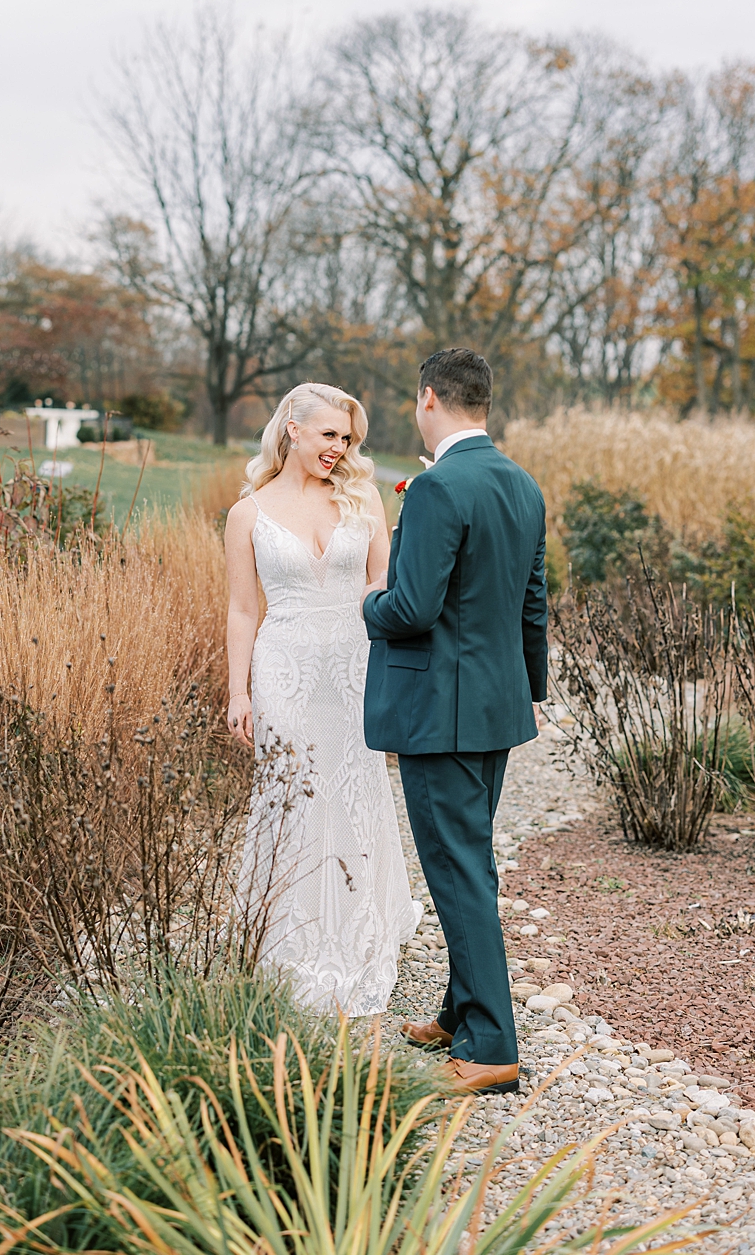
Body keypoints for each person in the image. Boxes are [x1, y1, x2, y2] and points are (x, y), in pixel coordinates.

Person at [363, 347, 548, 1096]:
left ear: (429, 398)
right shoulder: (522, 485)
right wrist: (525, 690)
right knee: (469, 863)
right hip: (495, 710)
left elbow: (410, 609)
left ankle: (494, 1045)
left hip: (440, 713)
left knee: (458, 868)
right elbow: (533, 603)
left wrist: (367, 603)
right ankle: (456, 1012)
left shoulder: (439, 488)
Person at [225, 382, 419, 1019]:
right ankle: (286, 934)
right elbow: (242, 607)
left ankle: (360, 923)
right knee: (294, 795)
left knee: (353, 788)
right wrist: (238, 690)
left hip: (353, 663)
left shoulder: (361, 499)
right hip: (282, 668)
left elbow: (382, 583)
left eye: (346, 437)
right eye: (328, 434)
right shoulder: (247, 513)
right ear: (291, 430)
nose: (339, 448)